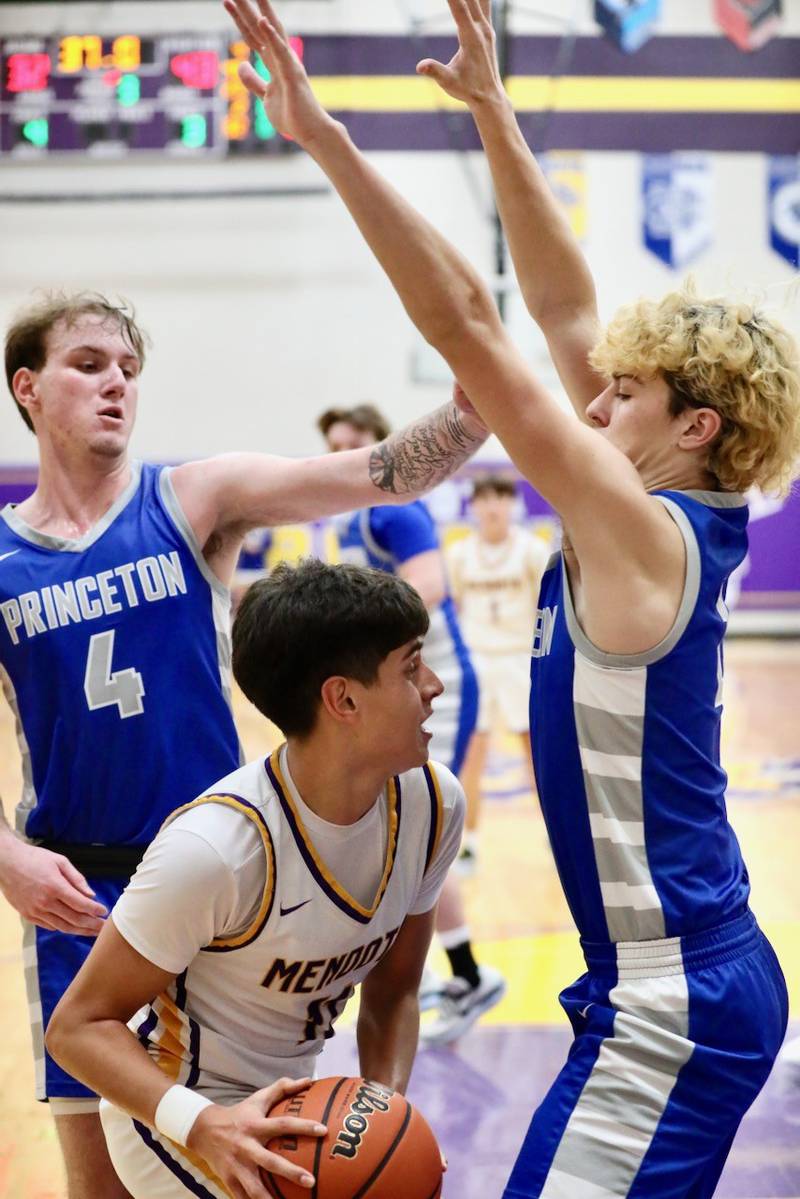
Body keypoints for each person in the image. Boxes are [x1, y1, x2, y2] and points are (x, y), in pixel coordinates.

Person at [223, 2, 800, 1196]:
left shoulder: (639, 531)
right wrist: (492, 111)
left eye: (624, 390)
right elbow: (565, 311)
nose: (594, 395)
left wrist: (326, 139)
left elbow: (474, 326)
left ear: (692, 426)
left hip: (669, 998)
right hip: (663, 974)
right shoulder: (664, 504)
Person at [0, 292, 487, 1199]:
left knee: (252, 1158)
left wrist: (468, 416)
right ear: (27, 387)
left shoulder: (191, 499)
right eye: (89, 364)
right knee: (100, 1184)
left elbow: (374, 472)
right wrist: (7, 857)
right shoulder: (0, 559)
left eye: (129, 370)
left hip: (225, 880)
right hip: (78, 890)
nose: (116, 384)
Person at [46, 558, 463, 1199]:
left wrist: (382, 1119)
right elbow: (77, 1028)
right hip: (179, 1110)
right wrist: (205, 1124)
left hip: (293, 1110)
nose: (433, 685)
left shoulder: (434, 806)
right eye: (410, 667)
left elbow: (395, 990)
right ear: (342, 699)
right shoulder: (216, 849)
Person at [317, 403, 506, 1045]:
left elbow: (426, 584)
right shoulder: (345, 519)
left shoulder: (392, 505)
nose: (345, 452)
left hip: (435, 686)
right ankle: (434, 969)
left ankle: (465, 973)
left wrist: (344, 629)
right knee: (394, 827)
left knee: (421, 832)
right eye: (335, 444)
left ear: (381, 443)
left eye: (357, 442)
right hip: (391, 688)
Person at [447, 473, 549, 871]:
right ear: (472, 506)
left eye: (499, 499)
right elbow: (452, 611)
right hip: (477, 661)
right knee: (472, 754)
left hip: (520, 659)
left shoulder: (530, 551)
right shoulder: (459, 556)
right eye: (484, 499)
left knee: (536, 752)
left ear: (511, 505)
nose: (491, 507)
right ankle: (467, 842)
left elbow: (548, 607)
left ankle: (555, 836)